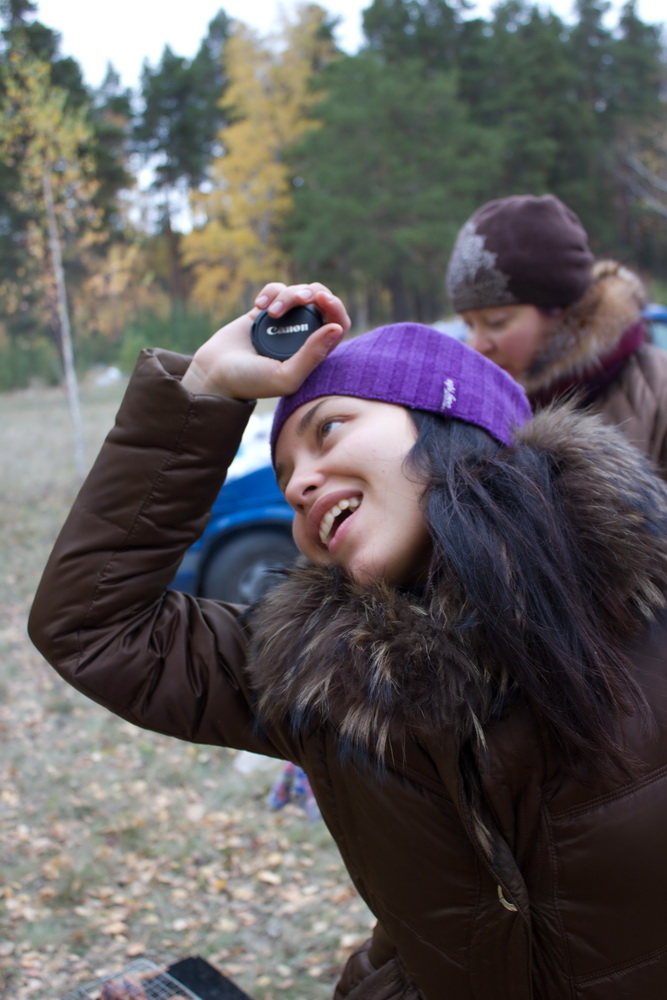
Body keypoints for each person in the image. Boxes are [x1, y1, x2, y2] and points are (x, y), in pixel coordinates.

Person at [28, 281, 667, 998]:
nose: (300, 484)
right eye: (285, 478)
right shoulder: (322, 678)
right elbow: (91, 625)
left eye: (327, 430)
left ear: (453, 418)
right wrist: (204, 388)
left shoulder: (642, 604)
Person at [445, 192, 667, 475]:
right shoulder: (471, 406)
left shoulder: (658, 393)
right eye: (469, 325)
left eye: (496, 322)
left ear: (561, 311)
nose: (476, 346)